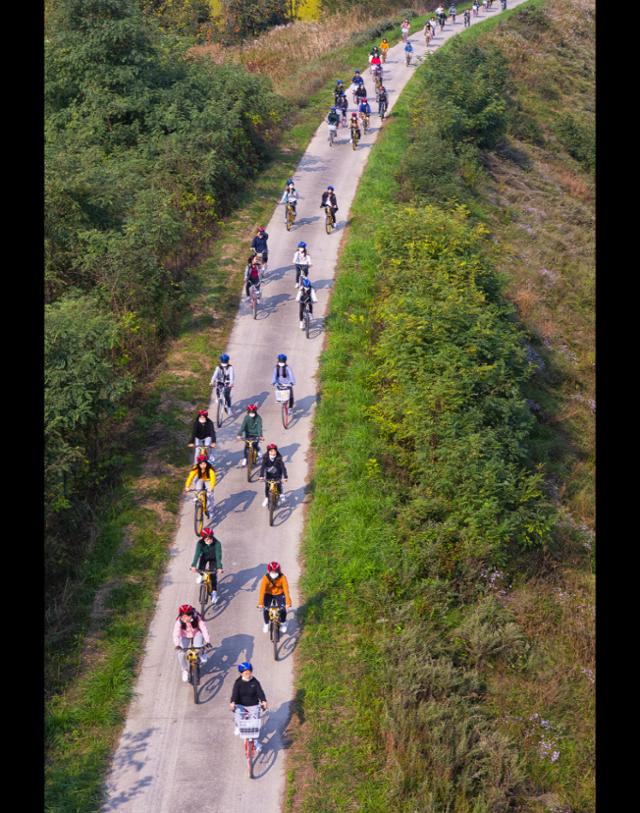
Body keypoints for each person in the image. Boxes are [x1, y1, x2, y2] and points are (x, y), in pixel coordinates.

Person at [229, 662, 268, 748]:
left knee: (254, 725)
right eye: (244, 672)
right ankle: (237, 727)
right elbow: (235, 694)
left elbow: (260, 692)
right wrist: (232, 702)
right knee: (238, 715)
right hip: (241, 705)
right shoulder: (238, 682)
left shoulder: (255, 682)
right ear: (241, 673)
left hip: (253, 705)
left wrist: (264, 701)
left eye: (249, 671)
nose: (247, 673)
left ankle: (255, 742)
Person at [173, 604, 211, 682]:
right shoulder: (179, 622)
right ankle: (185, 670)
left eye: (188, 616)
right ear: (181, 616)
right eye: (183, 616)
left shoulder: (197, 618)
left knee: (199, 647)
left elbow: (203, 629)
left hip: (196, 633)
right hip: (185, 636)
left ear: (192, 614)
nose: (186, 618)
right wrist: (177, 645)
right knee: (181, 653)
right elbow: (175, 634)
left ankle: (201, 654)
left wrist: (207, 641)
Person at [257, 562, 292, 635]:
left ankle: (283, 623)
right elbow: (262, 591)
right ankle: (266, 624)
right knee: (266, 609)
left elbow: (286, 590)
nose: (274, 573)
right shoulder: (265, 578)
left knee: (283, 609)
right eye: (272, 571)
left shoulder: (283, 577)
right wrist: (260, 603)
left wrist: (288, 602)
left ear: (279, 571)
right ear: (269, 571)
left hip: (280, 593)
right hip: (268, 594)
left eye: (276, 571)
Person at [190, 527, 223, 602]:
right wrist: (193, 565)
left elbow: (218, 556)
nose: (209, 540)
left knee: (213, 575)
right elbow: (197, 554)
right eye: (206, 538)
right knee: (201, 569)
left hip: (213, 559)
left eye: (210, 537)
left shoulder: (217, 543)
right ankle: (201, 575)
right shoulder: (200, 543)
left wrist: (219, 567)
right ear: (203, 538)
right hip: (204, 557)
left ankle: (214, 592)